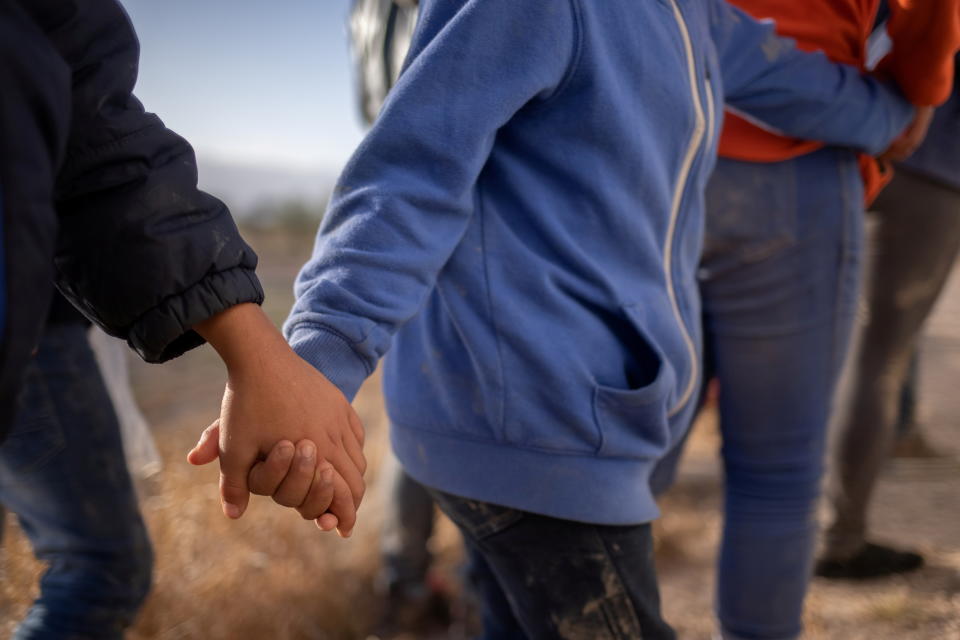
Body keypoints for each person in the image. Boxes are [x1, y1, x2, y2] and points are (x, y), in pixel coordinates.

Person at [242, 1, 915, 636]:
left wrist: (893, 117)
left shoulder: (695, 12)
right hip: (538, 428)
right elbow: (409, 173)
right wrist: (316, 363)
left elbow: (782, 73)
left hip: (562, 424)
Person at [1, 3, 370, 634]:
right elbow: (97, 134)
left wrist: (266, 357)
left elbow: (91, 136)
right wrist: (266, 358)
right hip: (34, 322)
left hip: (26, 313)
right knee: (101, 569)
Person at [650, 2, 960, 638]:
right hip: (800, 155)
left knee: (625, 456)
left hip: (656, 142)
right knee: (776, 473)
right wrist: (917, 97)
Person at [819, 65, 960, 579]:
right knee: (881, 358)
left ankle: (786, 525)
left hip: (844, 146)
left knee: (814, 340)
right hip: (934, 169)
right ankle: (842, 536)